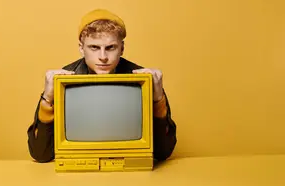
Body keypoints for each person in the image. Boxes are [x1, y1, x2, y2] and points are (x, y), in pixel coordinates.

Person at [26, 9, 177, 163]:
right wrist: (47, 100)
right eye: (94, 47)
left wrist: (158, 99)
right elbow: (41, 154)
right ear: (81, 48)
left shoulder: (143, 78)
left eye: (110, 47)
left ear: (122, 48)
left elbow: (163, 153)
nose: (103, 57)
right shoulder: (63, 78)